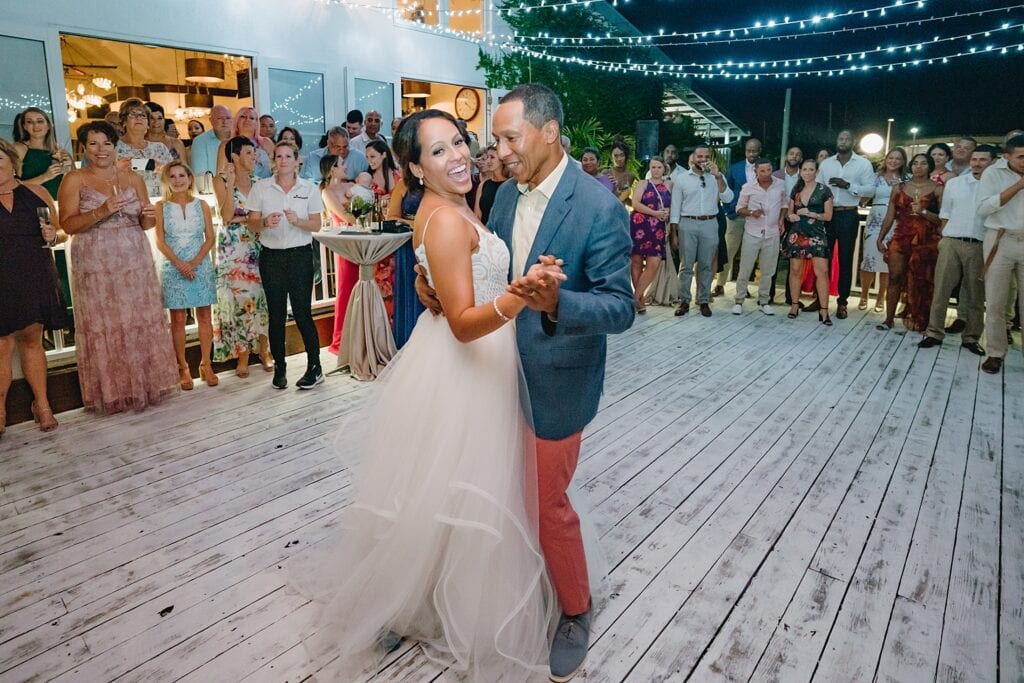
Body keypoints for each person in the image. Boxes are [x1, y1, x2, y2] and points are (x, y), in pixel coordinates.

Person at [291, 106, 572, 682]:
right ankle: (448, 603)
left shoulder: (454, 209)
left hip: (473, 359)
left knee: (443, 485)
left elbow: (452, 290)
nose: (459, 155)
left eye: (460, 142)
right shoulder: (444, 219)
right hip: (468, 361)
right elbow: (466, 322)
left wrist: (454, 282)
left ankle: (423, 590)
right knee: (465, 483)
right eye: (438, 150)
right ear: (415, 169)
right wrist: (524, 292)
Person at [57, 121, 179, 414]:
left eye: (107, 143)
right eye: (94, 144)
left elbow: (145, 223)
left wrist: (150, 216)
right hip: (96, 263)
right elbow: (68, 224)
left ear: (115, 146)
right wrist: (101, 211)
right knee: (106, 324)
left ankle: (146, 385)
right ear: (84, 147)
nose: (101, 150)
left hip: (134, 257)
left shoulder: (132, 179)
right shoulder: (75, 179)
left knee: (138, 320)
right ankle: (114, 392)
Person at [0, 138, 66, 434]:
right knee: (1, 344)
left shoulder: (36, 192)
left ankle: (42, 404)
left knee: (31, 337)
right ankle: (0, 410)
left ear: (12, 162)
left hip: (34, 272)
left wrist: (53, 236)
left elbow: (60, 233)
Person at [247, 141, 325, 390]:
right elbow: (251, 223)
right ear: (273, 160)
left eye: (288, 156)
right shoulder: (261, 188)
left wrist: (298, 221)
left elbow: (316, 225)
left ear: (297, 160)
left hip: (300, 256)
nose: (283, 160)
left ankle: (315, 367)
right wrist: (264, 222)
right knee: (276, 315)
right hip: (271, 258)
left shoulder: (309, 188)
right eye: (278, 156)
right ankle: (280, 368)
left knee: (303, 313)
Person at [918, 145, 996, 355]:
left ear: (993, 163)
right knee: (941, 289)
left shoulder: (997, 188)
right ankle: (934, 332)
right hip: (952, 241)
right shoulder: (955, 184)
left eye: (983, 160)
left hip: (980, 244)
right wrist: (944, 237)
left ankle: (971, 338)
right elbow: (945, 212)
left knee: (975, 295)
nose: (977, 163)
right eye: (975, 159)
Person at [154, 160, 218, 389]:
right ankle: (182, 367)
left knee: (204, 316)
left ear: (190, 179)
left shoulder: (201, 205)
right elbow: (160, 241)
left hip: (200, 264)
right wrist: (181, 265)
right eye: (172, 176)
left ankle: (206, 364)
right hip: (173, 266)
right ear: (166, 181)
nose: (178, 180)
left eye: (182, 175)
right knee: (178, 319)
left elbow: (210, 237)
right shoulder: (161, 207)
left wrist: (194, 262)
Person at [211, 136, 271, 377]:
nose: (254, 157)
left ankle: (265, 350)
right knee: (239, 301)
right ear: (234, 156)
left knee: (264, 297)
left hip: (260, 244)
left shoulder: (261, 182)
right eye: (248, 152)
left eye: (254, 153)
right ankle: (243, 355)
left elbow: (265, 215)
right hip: (233, 249)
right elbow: (226, 216)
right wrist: (232, 183)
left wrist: (245, 218)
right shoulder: (221, 180)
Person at [875, 153, 943, 332]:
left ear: (929, 167)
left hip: (925, 240)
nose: (918, 167)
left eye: (923, 163)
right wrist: (881, 237)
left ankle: (919, 318)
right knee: (895, 277)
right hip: (901, 237)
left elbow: (943, 219)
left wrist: (924, 212)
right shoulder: (899, 187)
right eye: (915, 163)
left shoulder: (937, 189)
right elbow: (890, 215)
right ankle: (888, 319)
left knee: (921, 279)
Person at [977, 134, 1024, 374]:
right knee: (995, 301)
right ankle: (995, 352)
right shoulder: (993, 174)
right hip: (1000, 239)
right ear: (1007, 156)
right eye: (1021, 157)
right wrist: (1017, 186)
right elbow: (983, 208)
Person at [817, 130, 876, 319]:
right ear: (837, 141)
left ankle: (842, 302)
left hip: (848, 215)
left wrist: (848, 185)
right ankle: (820, 300)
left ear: (853, 142)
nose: (843, 141)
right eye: (840, 138)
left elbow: (871, 189)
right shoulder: (826, 164)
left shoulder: (863, 164)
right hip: (827, 215)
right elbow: (817, 188)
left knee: (845, 260)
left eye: (847, 139)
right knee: (822, 259)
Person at [670, 145, 733, 317]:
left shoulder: (716, 177)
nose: (702, 159)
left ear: (710, 158)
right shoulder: (682, 179)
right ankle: (684, 301)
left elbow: (728, 198)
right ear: (693, 157)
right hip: (687, 223)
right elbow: (675, 207)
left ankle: (704, 300)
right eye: (699, 156)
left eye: (706, 156)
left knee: (706, 264)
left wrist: (718, 177)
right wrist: (674, 233)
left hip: (710, 223)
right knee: (686, 265)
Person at [733, 158, 787, 315]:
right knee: (745, 268)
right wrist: (751, 213)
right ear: (756, 171)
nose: (765, 174)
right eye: (762, 171)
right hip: (752, 232)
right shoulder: (748, 187)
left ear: (772, 169)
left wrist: (782, 219)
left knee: (768, 270)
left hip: (772, 233)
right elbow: (738, 208)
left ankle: (764, 300)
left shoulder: (780, 185)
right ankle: (739, 300)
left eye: (768, 170)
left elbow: (784, 203)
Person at [785, 159, 835, 324]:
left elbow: (828, 216)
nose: (807, 172)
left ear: (816, 172)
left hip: (817, 233)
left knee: (822, 272)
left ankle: (824, 310)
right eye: (804, 169)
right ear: (800, 171)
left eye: (810, 169)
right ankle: (794, 305)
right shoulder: (796, 189)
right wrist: (791, 216)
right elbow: (789, 212)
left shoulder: (824, 190)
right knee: (795, 270)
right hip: (797, 233)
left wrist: (812, 214)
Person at [858, 148, 906, 312]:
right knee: (869, 260)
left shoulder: (906, 179)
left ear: (903, 161)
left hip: (896, 220)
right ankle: (864, 295)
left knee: (889, 261)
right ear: (886, 159)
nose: (893, 161)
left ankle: (881, 298)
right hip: (875, 219)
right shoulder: (875, 177)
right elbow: (865, 195)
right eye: (891, 158)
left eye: (898, 159)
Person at [719, 137, 762, 296]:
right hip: (736, 215)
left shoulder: (765, 168)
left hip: (756, 218)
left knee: (749, 254)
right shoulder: (735, 168)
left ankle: (742, 287)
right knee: (729, 250)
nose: (751, 153)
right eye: (748, 150)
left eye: (754, 150)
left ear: (759, 151)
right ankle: (720, 284)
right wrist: (729, 210)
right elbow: (726, 190)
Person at [629, 155, 672, 313]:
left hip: (658, 228)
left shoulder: (669, 184)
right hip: (640, 224)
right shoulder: (643, 183)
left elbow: (673, 203)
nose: (655, 170)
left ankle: (635, 296)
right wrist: (654, 213)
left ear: (664, 168)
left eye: (659, 167)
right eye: (653, 167)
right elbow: (635, 203)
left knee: (654, 263)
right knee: (636, 262)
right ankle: (639, 301)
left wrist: (667, 213)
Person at [13, 107, 71, 200]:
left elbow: (74, 182)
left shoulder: (59, 152)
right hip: (29, 205)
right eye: (29, 122)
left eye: (40, 121)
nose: (35, 125)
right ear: (24, 126)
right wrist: (45, 177)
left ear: (48, 125)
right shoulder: (18, 148)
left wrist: (68, 164)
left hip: (57, 205)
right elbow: (11, 185)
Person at [771, 145, 803, 304]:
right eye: (791, 153)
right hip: (777, 220)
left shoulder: (805, 178)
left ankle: (791, 297)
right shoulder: (775, 175)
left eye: (797, 154)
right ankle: (768, 295)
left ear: (801, 158)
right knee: (772, 258)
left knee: (794, 259)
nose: (794, 156)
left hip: (797, 222)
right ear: (786, 157)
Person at [115, 98, 173, 172]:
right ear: (124, 122)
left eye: (143, 115)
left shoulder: (160, 148)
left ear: (148, 124)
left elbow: (172, 172)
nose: (139, 118)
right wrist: (151, 165)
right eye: (133, 114)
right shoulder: (114, 147)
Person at [301, 126, 368, 185]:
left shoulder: (359, 158)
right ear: (328, 144)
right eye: (337, 147)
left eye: (345, 147)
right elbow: (304, 184)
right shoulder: (312, 158)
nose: (342, 151)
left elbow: (367, 184)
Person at [221, 106, 274, 179]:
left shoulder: (266, 142)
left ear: (256, 123)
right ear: (236, 121)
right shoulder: (226, 144)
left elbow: (276, 168)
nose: (247, 120)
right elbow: (220, 174)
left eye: (251, 118)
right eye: (243, 117)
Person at [190, 105, 233, 176]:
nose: (224, 121)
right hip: (211, 186)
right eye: (219, 118)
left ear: (232, 120)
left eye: (228, 118)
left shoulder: (239, 139)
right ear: (211, 121)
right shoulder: (200, 141)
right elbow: (200, 175)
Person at [472, 143, 507, 224]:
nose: (488, 161)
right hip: (484, 234)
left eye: (492, 157)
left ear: (502, 160)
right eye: (487, 157)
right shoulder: (483, 185)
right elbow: (477, 216)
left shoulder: (511, 186)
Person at [606, 139, 636, 207]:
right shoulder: (606, 173)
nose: (619, 159)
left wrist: (639, 207)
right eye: (615, 156)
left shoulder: (631, 176)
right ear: (611, 157)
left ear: (626, 156)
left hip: (621, 212)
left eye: (622, 155)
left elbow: (625, 199)